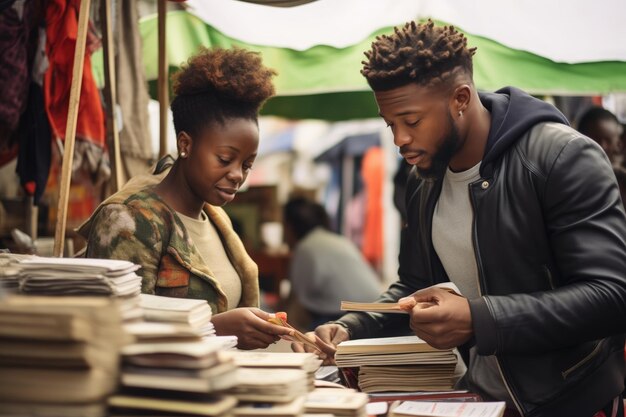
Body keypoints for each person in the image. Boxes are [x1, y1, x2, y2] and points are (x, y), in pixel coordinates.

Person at [294, 20, 626, 417]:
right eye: (390, 124)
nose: (399, 138)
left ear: (461, 99)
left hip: (573, 400)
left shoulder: (560, 158)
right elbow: (415, 287)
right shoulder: (423, 181)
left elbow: (611, 295)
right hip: (482, 398)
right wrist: (353, 327)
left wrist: (480, 318)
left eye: (411, 121)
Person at [81, 47, 293, 350]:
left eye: (247, 164)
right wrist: (213, 329)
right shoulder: (129, 221)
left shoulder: (217, 222)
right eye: (225, 159)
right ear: (185, 144)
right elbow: (109, 332)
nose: (237, 174)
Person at [283, 197, 381, 330]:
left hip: (348, 315)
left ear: (289, 227)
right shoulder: (339, 240)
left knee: (301, 331)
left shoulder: (305, 247)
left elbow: (295, 300)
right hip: (378, 311)